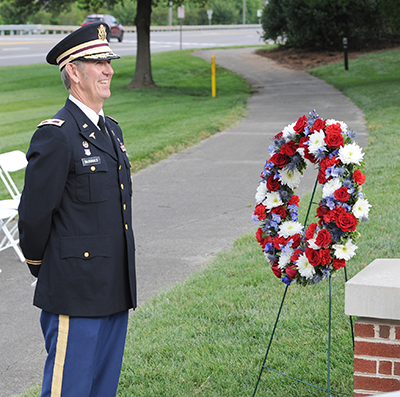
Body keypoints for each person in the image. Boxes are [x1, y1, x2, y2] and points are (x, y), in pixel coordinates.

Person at [18, 22, 136, 397]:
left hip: (114, 286)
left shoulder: (111, 130)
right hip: (75, 290)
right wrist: (44, 268)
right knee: (69, 389)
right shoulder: (57, 134)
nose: (109, 70)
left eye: (109, 61)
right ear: (74, 70)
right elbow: (34, 216)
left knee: (103, 389)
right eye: (98, 62)